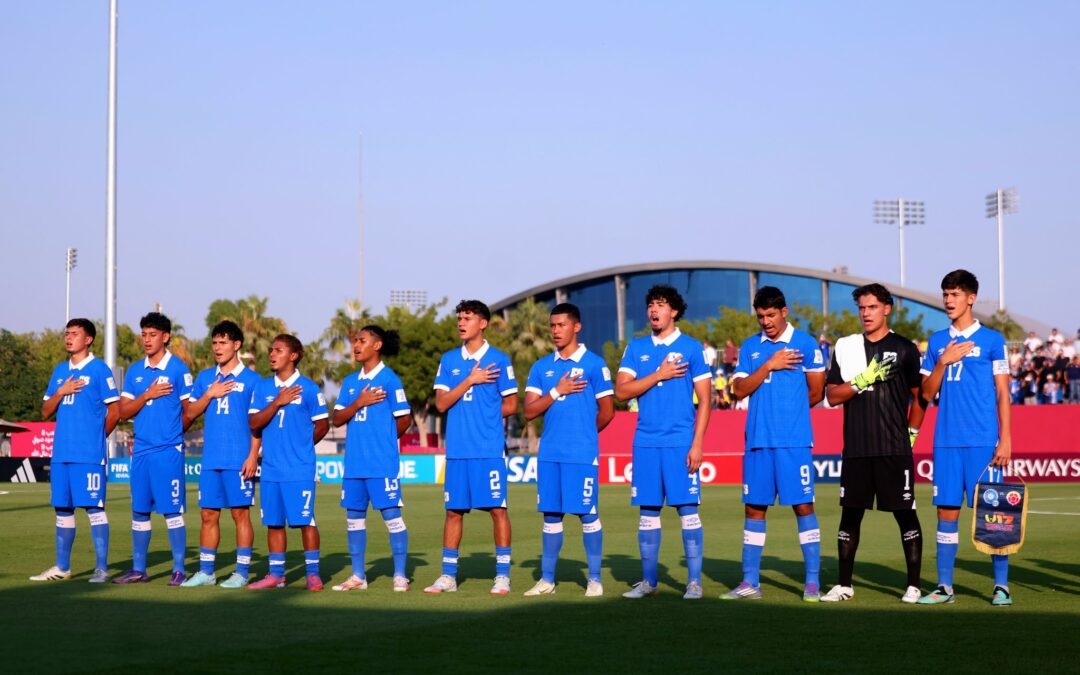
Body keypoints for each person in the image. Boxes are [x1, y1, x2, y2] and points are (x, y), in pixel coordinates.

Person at [821, 284, 927, 603]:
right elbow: (831, 396)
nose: (865, 313)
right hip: (856, 448)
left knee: (905, 515)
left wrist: (912, 433)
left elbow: (919, 395)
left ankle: (913, 585)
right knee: (849, 516)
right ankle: (844, 585)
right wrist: (862, 380)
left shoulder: (906, 348)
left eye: (871, 307)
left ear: (886, 309)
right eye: (861, 308)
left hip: (895, 448)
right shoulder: (847, 348)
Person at [722, 286, 826, 601]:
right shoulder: (751, 346)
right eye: (760, 316)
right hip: (757, 442)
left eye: (770, 315)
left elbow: (816, 393)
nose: (766, 322)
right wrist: (768, 365)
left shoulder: (806, 344)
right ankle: (750, 582)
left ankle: (811, 583)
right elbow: (738, 390)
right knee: (754, 509)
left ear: (784, 312)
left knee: (803, 506)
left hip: (793, 442)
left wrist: (788, 416)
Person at [918, 270, 1013, 606]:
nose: (948, 300)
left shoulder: (992, 341)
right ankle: (945, 587)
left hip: (984, 441)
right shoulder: (935, 341)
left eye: (955, 294)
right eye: (945, 294)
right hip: (946, 442)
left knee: (994, 514)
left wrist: (1005, 439)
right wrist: (943, 361)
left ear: (971, 298)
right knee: (946, 514)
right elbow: (926, 394)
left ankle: (1000, 586)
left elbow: (1003, 393)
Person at [615, 285, 712, 600]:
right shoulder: (636, 347)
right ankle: (649, 582)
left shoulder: (692, 348)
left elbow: (706, 401)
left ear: (674, 311)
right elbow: (622, 392)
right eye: (650, 305)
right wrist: (659, 374)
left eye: (660, 304)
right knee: (648, 513)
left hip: (681, 442)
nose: (653, 310)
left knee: (687, 511)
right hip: (645, 442)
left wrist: (697, 444)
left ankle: (694, 583)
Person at [424, 300, 518, 594]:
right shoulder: (449, 360)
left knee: (497, 510)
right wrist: (470, 380)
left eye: (467, 318)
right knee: (453, 511)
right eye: (459, 318)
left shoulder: (500, 359)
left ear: (483, 323)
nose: (461, 323)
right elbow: (441, 404)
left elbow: (512, 403)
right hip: (457, 451)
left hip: (488, 448)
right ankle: (448, 576)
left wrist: (485, 412)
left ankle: (502, 575)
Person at [522, 303, 615, 597]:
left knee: (587, 513)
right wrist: (556, 391)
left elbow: (608, 412)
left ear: (577, 327)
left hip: (581, 453)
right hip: (549, 453)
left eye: (561, 325)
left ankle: (595, 579)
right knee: (551, 516)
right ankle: (547, 580)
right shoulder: (541, 367)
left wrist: (585, 434)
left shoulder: (594, 364)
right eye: (552, 326)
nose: (555, 331)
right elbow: (528, 411)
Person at [31, 319, 121, 583]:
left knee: (94, 508)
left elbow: (115, 412)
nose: (69, 338)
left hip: (88, 455)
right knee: (63, 509)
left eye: (75, 334)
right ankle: (62, 567)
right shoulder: (60, 371)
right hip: (62, 454)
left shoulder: (99, 370)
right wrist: (60, 391)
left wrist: (95, 437)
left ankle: (101, 569)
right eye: (67, 333)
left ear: (89, 339)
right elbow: (46, 411)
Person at [179, 321, 262, 588]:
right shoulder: (205, 378)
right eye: (214, 343)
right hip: (211, 459)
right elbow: (189, 414)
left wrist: (252, 456)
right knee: (208, 515)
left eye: (223, 342)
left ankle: (241, 572)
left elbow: (257, 423)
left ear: (237, 345)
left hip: (239, 459)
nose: (217, 348)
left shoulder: (252, 380)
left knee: (240, 514)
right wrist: (210, 393)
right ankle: (206, 572)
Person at [330, 325, 412, 592]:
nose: (355, 345)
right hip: (354, 465)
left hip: (381, 464)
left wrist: (386, 440)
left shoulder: (390, 380)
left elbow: (404, 419)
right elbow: (338, 418)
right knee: (354, 519)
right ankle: (358, 576)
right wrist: (359, 402)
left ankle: (400, 575)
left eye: (361, 340)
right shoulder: (351, 382)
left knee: (392, 517)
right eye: (355, 340)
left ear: (376, 346)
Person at [114, 312, 193, 585]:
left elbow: (190, 411)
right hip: (142, 451)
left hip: (168, 451)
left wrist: (171, 434)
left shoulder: (179, 369)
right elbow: (123, 411)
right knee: (139, 511)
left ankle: (179, 569)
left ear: (165, 337)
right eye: (144, 335)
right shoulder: (136, 371)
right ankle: (139, 570)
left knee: (172, 510)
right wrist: (146, 394)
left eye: (152, 335)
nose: (147, 340)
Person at [247, 335, 329, 590]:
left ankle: (313, 573)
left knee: (306, 521)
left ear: (293, 356)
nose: (272, 354)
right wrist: (278, 402)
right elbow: (254, 423)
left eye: (278, 350)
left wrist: (302, 446)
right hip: (271, 468)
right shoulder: (262, 388)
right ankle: (276, 575)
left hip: (300, 468)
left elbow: (323, 425)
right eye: (271, 350)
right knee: (273, 522)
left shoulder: (310, 389)